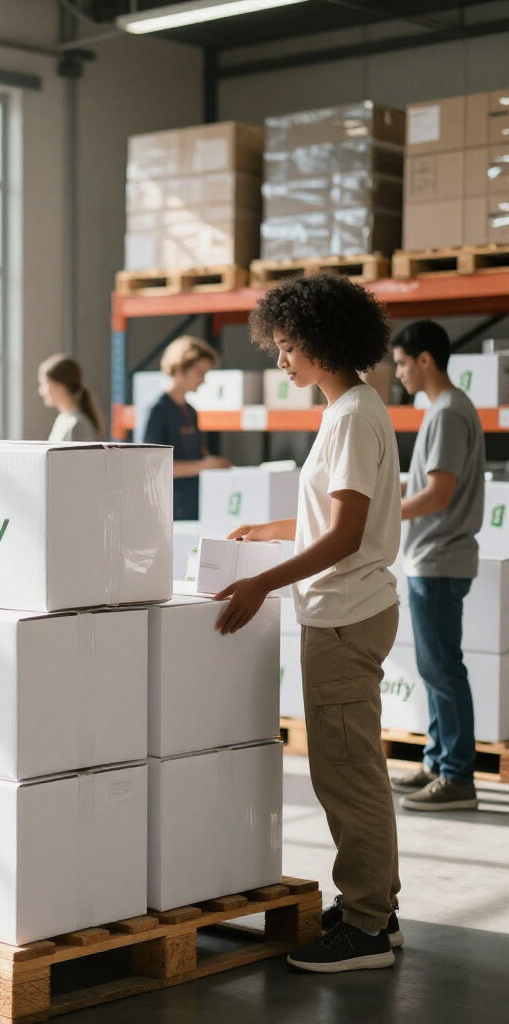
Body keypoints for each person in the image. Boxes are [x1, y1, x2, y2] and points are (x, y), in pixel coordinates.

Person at [212, 275, 403, 973]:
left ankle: (367, 928)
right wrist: (270, 530)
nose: (281, 360)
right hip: (349, 611)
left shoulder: (351, 416)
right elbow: (336, 515)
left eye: (288, 348)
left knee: (347, 774)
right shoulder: (351, 409)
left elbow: (348, 535)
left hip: (346, 616)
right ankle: (376, 905)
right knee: (353, 768)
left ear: (322, 344)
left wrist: (264, 579)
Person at [391, 321, 485, 811]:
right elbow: (423, 487)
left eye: (403, 363)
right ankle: (438, 759)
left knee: (443, 668)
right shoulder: (444, 409)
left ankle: (457, 776)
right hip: (434, 557)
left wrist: (381, 512)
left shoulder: (448, 412)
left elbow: (438, 494)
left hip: (440, 558)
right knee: (434, 668)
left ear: (425, 359)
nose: (399, 373)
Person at [141, 335, 231, 520]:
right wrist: (202, 466)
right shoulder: (157, 411)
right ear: (181, 369)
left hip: (192, 507)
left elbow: (197, 454)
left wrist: (211, 463)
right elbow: (151, 467)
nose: (203, 381)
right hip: (167, 511)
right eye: (200, 373)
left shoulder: (190, 411)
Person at [38, 353, 103, 441]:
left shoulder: (78, 425)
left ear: (60, 386)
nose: (41, 391)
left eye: (45, 384)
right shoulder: (62, 419)